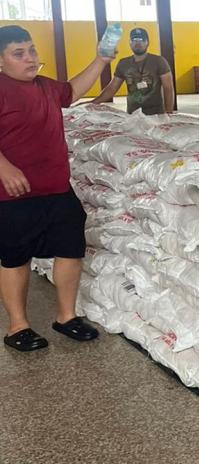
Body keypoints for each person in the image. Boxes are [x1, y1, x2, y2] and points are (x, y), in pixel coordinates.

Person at [0, 26, 114, 351]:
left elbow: (72, 90)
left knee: (70, 249)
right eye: (19, 53)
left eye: (32, 50)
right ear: (1, 61)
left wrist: (101, 60)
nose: (30, 58)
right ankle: (18, 327)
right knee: (15, 257)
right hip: (13, 194)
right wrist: (4, 167)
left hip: (56, 187)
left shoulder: (45, 86)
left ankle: (66, 317)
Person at [91, 28, 174, 115]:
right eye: (134, 40)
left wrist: (169, 112)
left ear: (147, 42)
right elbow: (112, 88)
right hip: (133, 115)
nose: (138, 43)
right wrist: (93, 102)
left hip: (156, 114)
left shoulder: (159, 61)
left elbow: (168, 88)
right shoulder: (123, 63)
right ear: (130, 43)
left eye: (141, 40)